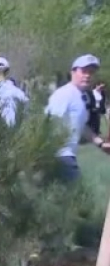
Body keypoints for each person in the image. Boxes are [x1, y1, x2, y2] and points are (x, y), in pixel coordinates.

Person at [45, 54, 110, 182]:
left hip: (67, 155)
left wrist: (100, 143)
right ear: (73, 72)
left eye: (91, 72)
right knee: (79, 197)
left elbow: (82, 126)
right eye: (83, 71)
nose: (87, 75)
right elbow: (49, 121)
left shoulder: (81, 96)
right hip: (59, 156)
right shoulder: (64, 94)